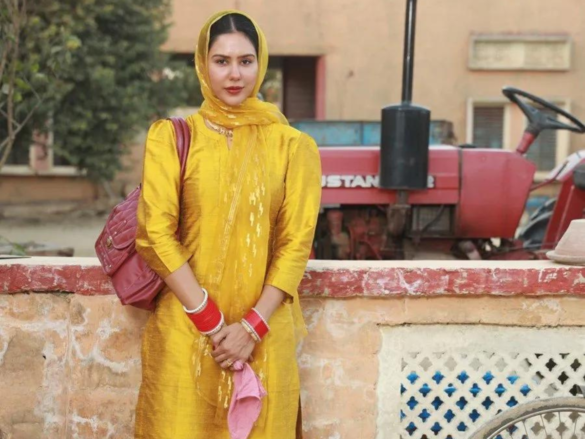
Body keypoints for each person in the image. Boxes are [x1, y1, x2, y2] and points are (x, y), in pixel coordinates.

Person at [133, 10, 322, 439]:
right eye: (221, 61)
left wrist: (251, 328)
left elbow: (295, 244)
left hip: (264, 337)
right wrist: (213, 324)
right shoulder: (172, 137)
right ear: (203, 65)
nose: (235, 74)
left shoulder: (293, 147)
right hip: (186, 332)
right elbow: (155, 234)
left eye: (245, 61)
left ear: (261, 64)